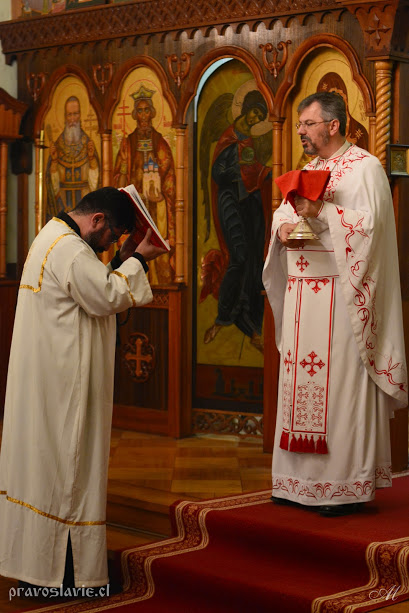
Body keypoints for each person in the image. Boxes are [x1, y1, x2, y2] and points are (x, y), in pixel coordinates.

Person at [0, 187, 167, 588]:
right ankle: (65, 576)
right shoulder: (71, 250)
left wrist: (122, 260)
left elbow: (90, 287)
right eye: (113, 235)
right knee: (67, 472)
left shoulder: (52, 237)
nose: (110, 244)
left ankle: (40, 570)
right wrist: (140, 258)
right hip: (64, 389)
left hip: (47, 381)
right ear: (96, 220)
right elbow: (108, 294)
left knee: (44, 471)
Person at [263, 92, 407, 517]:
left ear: (333, 125)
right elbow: (284, 212)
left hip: (343, 301)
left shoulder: (365, 167)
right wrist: (283, 227)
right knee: (298, 385)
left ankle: (342, 487)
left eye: (308, 124)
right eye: (299, 125)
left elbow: (372, 229)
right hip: (303, 298)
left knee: (340, 389)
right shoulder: (309, 169)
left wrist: (322, 210)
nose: (301, 132)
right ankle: (294, 483)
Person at [202, 89, 272, 352]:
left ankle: (251, 327)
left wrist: (264, 174)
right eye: (254, 112)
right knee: (238, 256)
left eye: (260, 117)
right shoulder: (229, 139)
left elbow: (253, 172)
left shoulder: (250, 142)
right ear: (245, 109)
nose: (255, 119)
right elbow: (218, 174)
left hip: (249, 204)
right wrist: (239, 171)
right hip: (230, 200)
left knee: (254, 259)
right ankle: (222, 317)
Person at [113, 85, 176, 284]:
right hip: (134, 209)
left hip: (157, 207)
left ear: (152, 112)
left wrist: (161, 195)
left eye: (146, 110)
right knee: (132, 250)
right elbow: (119, 175)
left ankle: (162, 286)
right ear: (134, 114)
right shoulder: (127, 143)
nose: (143, 116)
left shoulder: (159, 142)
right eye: (139, 111)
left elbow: (169, 176)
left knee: (158, 252)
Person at [46, 95, 100, 218]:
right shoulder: (58, 145)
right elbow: (52, 188)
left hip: (86, 208)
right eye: (69, 115)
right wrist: (54, 162)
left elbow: (95, 184)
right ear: (65, 117)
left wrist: (92, 159)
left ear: (80, 115)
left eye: (75, 114)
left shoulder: (88, 145)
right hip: (63, 207)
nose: (72, 119)